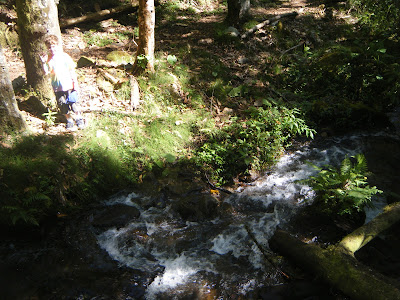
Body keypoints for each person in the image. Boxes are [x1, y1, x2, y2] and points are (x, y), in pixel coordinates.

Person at [42, 35, 85, 129]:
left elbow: (71, 70)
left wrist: (75, 84)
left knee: (73, 102)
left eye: (53, 46)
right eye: (49, 47)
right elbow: (45, 73)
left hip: (68, 84)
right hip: (57, 86)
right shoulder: (48, 59)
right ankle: (69, 119)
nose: (52, 49)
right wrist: (43, 63)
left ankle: (79, 118)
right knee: (62, 103)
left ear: (57, 46)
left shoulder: (64, 56)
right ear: (47, 48)